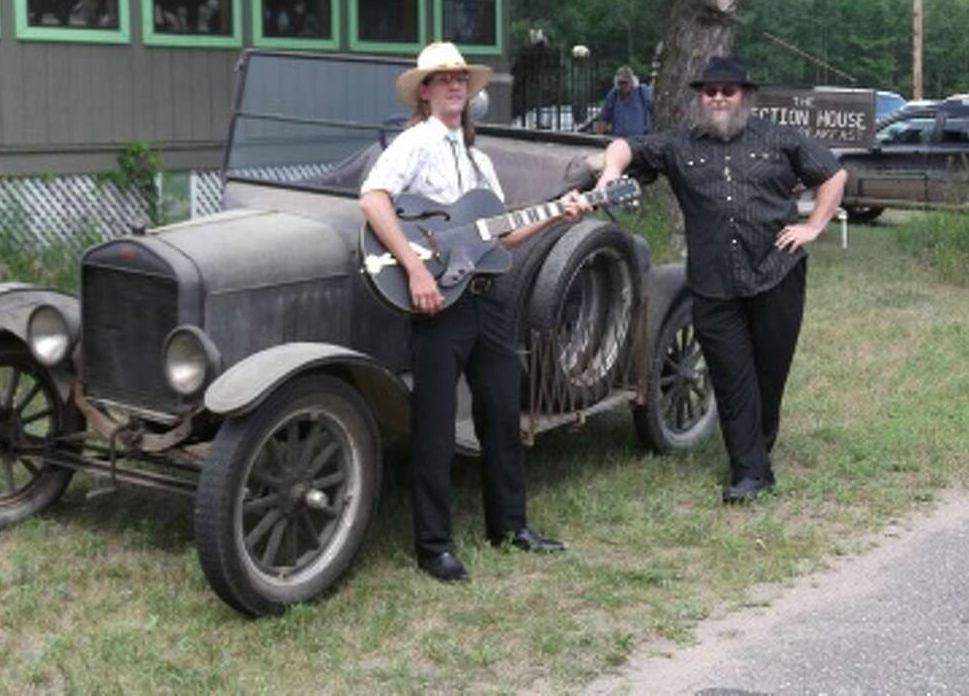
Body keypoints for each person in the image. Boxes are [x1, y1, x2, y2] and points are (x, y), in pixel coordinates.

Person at [359, 41, 583, 583]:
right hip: (439, 303)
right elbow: (373, 199)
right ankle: (433, 546)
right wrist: (415, 270)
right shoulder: (415, 143)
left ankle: (510, 527)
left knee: (502, 413)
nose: (455, 85)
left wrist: (560, 213)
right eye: (443, 79)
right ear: (426, 92)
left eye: (461, 78)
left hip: (487, 299)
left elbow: (500, 236)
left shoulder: (480, 160)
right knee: (435, 425)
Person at [594, 56, 846, 504]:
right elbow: (624, 147)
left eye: (728, 91)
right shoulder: (678, 145)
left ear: (744, 96)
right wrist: (611, 174)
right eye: (710, 92)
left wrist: (813, 226)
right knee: (731, 376)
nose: (718, 98)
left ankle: (758, 450)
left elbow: (832, 173)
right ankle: (749, 473)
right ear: (701, 98)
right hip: (713, 282)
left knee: (769, 374)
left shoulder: (778, 137)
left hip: (776, 273)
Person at [590, 65, 654, 136]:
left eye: (625, 82)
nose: (623, 85)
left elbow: (654, 110)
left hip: (640, 139)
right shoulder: (613, 95)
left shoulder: (642, 92)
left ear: (631, 81)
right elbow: (604, 118)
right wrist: (599, 136)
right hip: (618, 139)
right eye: (620, 83)